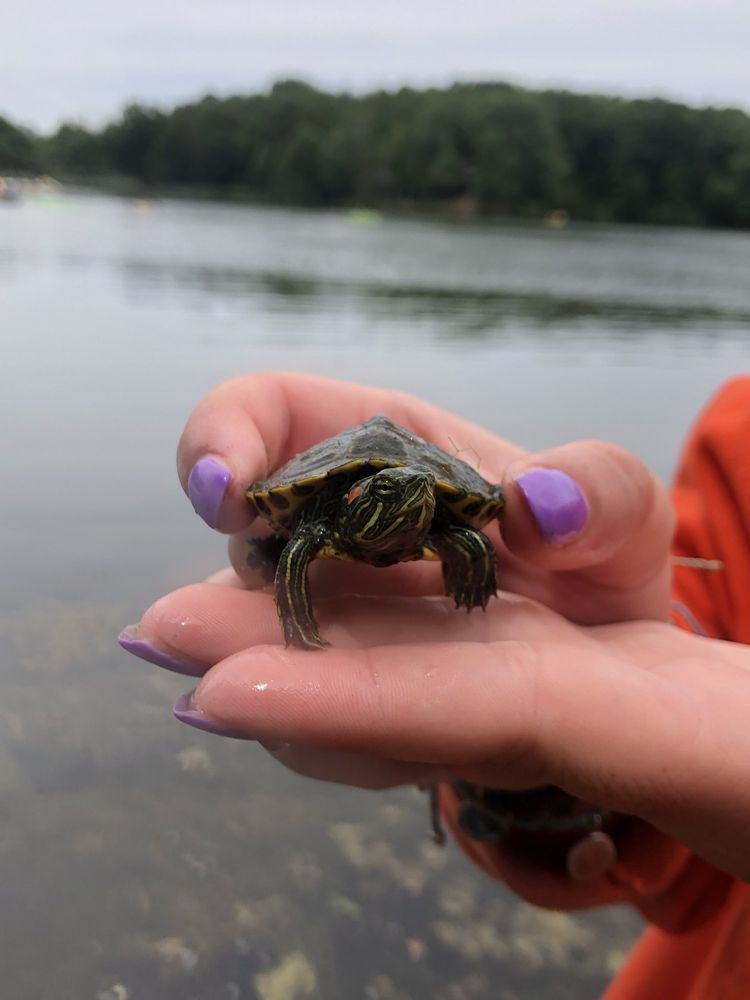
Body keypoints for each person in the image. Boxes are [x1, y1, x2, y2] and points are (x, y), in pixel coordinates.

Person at [120, 372, 750, 998]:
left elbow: (470, 537)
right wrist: (544, 786)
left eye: (420, 494)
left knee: (466, 541)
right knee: (286, 545)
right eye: (394, 493)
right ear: (357, 498)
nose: (416, 498)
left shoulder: (441, 524)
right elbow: (689, 881)